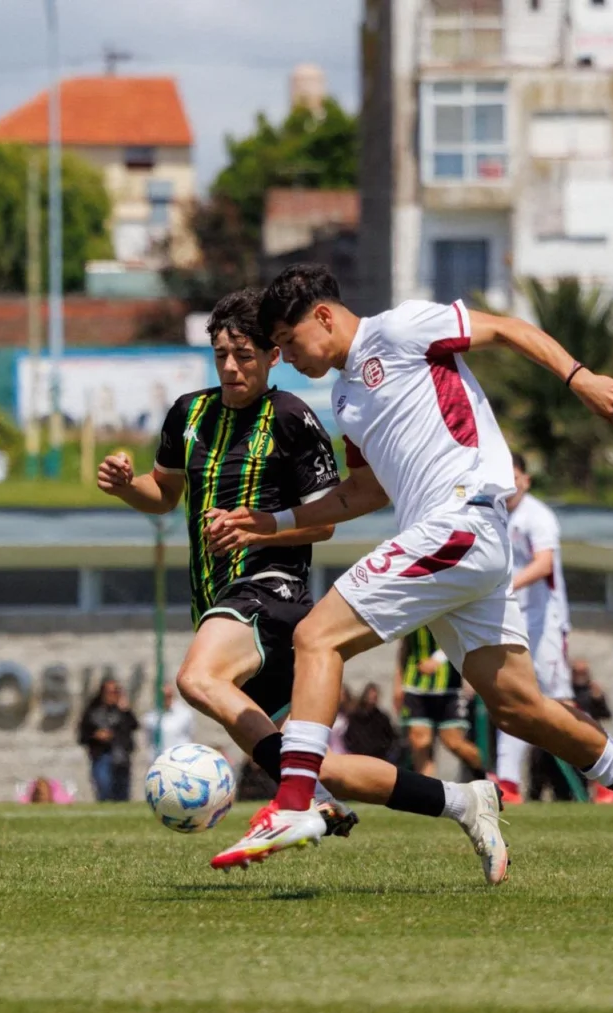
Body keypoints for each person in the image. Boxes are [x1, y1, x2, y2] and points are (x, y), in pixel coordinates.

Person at [207, 263, 613, 888]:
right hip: (452, 546)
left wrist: (580, 377)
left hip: (460, 521)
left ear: (323, 316)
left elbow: (508, 329)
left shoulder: (403, 328)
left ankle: (294, 804)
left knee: (315, 637)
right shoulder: (345, 398)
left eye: (288, 342)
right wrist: (269, 522)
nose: (286, 357)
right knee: (520, 709)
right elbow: (362, 493)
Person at [98, 287, 496, 868]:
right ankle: (461, 800)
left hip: (270, 593)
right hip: (219, 601)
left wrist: (256, 531)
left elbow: (324, 526)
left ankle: (299, 802)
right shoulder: (188, 413)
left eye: (246, 356)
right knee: (310, 761)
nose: (232, 367)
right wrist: (124, 485)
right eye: (222, 356)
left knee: (196, 678)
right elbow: (163, 495)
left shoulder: (294, 418)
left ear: (272, 356)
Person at [495, 452, 572, 803]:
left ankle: (609, 770)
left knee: (562, 703)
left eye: (513, 475)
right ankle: (508, 782)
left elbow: (544, 565)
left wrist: (507, 586)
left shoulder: (537, 516)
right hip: (516, 622)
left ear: (526, 479)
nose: (508, 483)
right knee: (511, 697)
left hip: (547, 625)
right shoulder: (495, 516)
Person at [394, 626, 484, 780]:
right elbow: (404, 647)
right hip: (415, 686)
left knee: (453, 742)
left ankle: (484, 774)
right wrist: (398, 683)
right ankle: (428, 791)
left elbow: (463, 639)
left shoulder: (448, 608)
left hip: (449, 688)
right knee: (420, 741)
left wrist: (437, 659)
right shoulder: (411, 613)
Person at [78, 679, 138, 802]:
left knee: (122, 793)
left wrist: (126, 710)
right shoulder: (93, 712)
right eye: (109, 692)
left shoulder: (122, 712)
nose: (112, 695)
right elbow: (82, 736)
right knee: (104, 788)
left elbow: (134, 725)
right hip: (102, 756)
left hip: (121, 757)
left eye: (116, 692)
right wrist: (96, 735)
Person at [343, 683, 400, 763]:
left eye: (374, 697)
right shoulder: (356, 717)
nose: (372, 699)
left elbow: (390, 736)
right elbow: (350, 736)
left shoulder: (382, 718)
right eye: (370, 696)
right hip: (359, 758)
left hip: (378, 758)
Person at [141, 685, 195, 758]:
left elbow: (190, 735)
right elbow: (148, 740)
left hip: (179, 761)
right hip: (157, 761)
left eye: (168, 696)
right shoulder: (150, 717)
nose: (165, 699)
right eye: (162, 696)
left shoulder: (185, 714)